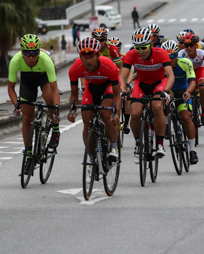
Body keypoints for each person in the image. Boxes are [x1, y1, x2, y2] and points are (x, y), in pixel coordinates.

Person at [67, 38, 122, 184]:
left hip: (108, 87)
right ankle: (91, 160)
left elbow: (117, 94)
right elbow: (73, 94)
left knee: (105, 114)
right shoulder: (75, 69)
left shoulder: (108, 65)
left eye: (92, 56)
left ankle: (114, 147)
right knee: (86, 122)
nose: (88, 60)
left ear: (98, 55)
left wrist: (117, 114)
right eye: (85, 57)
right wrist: (72, 110)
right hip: (92, 89)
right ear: (80, 57)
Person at [7, 34, 61, 175]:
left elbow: (55, 90)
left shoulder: (46, 60)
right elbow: (10, 89)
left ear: (39, 51)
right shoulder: (15, 61)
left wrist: (56, 108)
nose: (31, 57)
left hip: (44, 78)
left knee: (48, 97)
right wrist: (16, 104)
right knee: (27, 118)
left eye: (34, 53)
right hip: (27, 81)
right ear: (22, 52)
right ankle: (29, 155)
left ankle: (55, 129)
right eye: (27, 53)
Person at [119, 28, 175, 161]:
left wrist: (166, 92)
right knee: (136, 112)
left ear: (150, 44)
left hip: (159, 83)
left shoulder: (161, 53)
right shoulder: (131, 54)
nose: (140, 51)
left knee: (156, 106)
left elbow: (170, 75)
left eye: (143, 47)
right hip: (141, 84)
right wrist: (123, 90)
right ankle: (138, 144)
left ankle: (160, 144)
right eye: (137, 48)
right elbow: (122, 77)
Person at [162, 40, 199, 164]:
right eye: (166, 57)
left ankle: (192, 150)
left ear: (177, 55)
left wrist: (188, 92)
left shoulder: (185, 62)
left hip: (183, 90)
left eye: (172, 56)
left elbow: (193, 81)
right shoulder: (160, 66)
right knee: (164, 101)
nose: (169, 59)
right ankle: (167, 126)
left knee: (186, 117)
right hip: (169, 90)